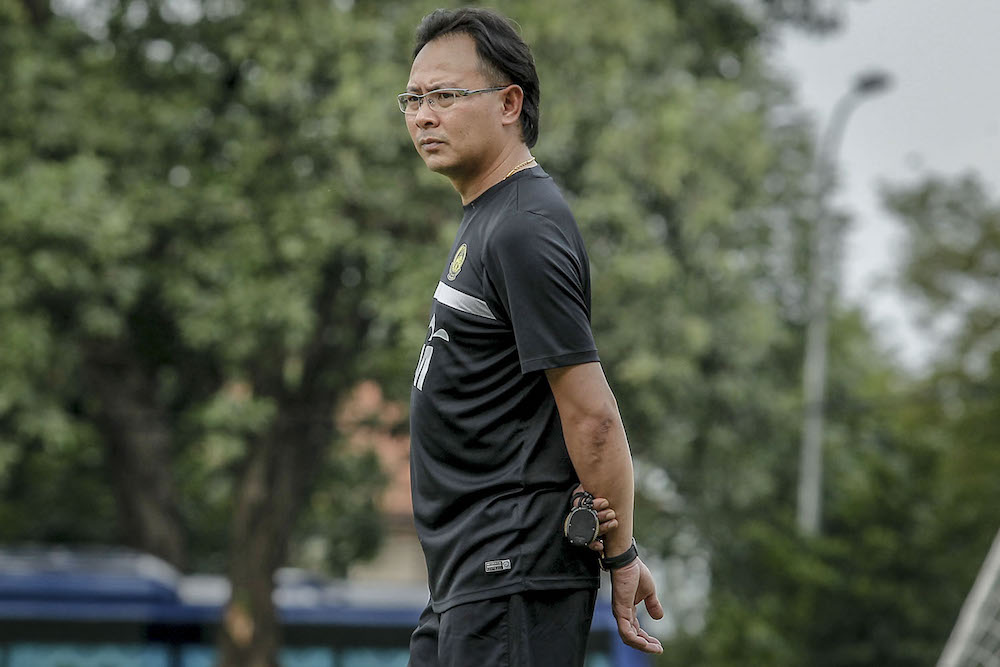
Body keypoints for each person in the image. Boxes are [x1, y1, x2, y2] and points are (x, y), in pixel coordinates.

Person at [402, 8, 663, 666]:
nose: (423, 115)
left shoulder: (523, 226)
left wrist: (623, 551)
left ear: (509, 102)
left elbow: (593, 418)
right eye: (413, 98)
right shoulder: (489, 220)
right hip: (473, 578)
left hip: (509, 571)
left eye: (446, 96)